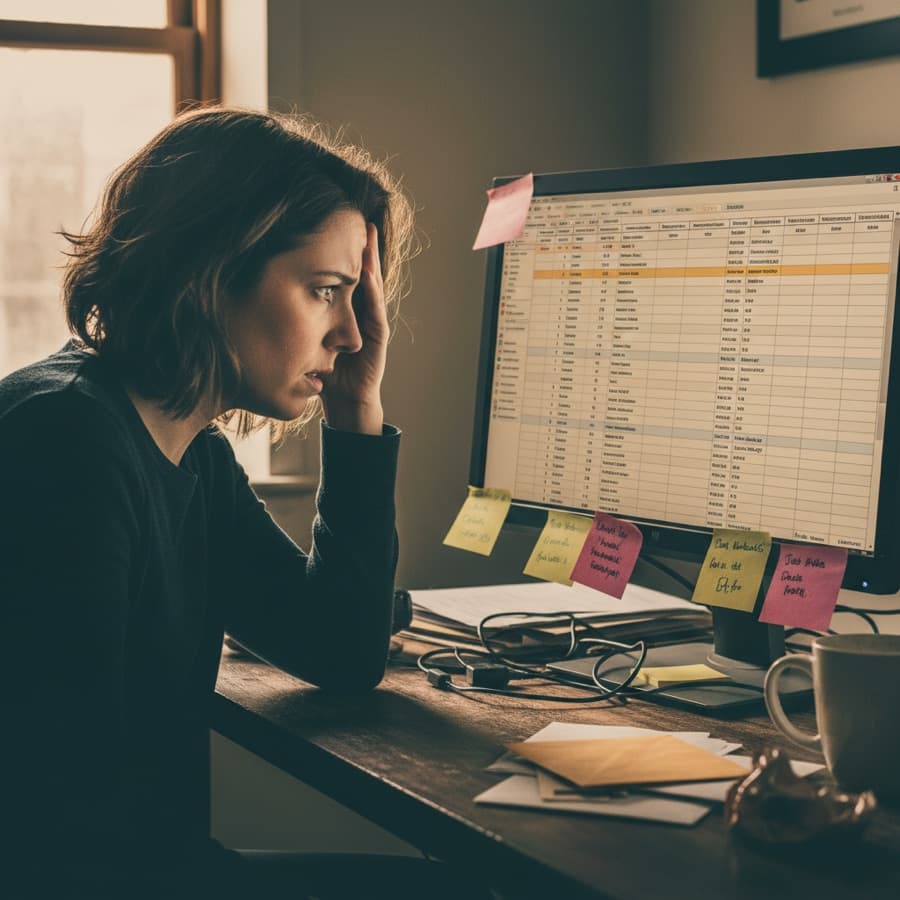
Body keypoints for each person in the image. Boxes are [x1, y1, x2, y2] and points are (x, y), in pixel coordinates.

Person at [0, 107, 488, 900]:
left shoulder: (189, 448)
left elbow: (340, 649)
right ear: (210, 269)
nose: (352, 335)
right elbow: (61, 825)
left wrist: (356, 413)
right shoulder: (66, 444)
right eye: (326, 291)